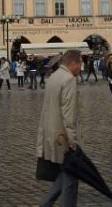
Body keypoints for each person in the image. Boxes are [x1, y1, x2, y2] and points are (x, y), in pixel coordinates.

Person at [37, 50, 83, 207]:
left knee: (65, 174)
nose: (81, 68)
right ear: (73, 63)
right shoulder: (69, 79)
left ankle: (45, 204)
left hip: (52, 133)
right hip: (63, 136)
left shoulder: (53, 77)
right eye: (80, 64)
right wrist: (73, 141)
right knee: (71, 181)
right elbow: (68, 114)